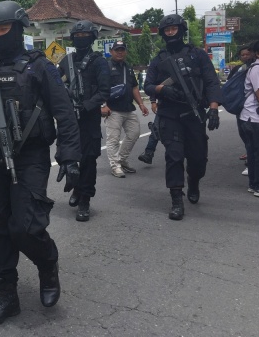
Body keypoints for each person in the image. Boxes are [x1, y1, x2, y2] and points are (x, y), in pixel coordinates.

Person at [0, 1, 81, 326]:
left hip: (30, 155)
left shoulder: (39, 67)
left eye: (4, 29)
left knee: (26, 226)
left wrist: (70, 158)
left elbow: (64, 113)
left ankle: (47, 264)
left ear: (18, 30)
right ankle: (7, 295)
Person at [144, 14, 221, 220]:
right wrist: (162, 90)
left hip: (194, 113)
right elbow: (148, 85)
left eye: (174, 29)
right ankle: (176, 199)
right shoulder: (158, 60)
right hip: (170, 114)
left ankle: (194, 181)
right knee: (174, 157)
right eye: (167, 30)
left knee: (197, 160)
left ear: (181, 30)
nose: (170, 33)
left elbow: (212, 81)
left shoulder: (197, 55)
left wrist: (213, 108)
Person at [58, 19, 111, 221]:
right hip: (69, 119)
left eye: (84, 36)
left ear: (92, 38)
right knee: (67, 156)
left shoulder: (99, 62)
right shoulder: (66, 61)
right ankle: (76, 186)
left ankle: (84, 200)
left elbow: (104, 91)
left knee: (88, 160)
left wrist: (86, 105)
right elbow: (56, 84)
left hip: (88, 119)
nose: (81, 39)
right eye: (77, 36)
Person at [103, 41, 149, 178]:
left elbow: (134, 87)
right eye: (117, 50)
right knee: (113, 139)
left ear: (125, 52)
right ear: (111, 51)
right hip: (113, 109)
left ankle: (122, 159)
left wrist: (141, 104)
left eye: (122, 50)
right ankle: (115, 166)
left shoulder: (128, 68)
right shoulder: (105, 67)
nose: (120, 52)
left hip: (128, 108)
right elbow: (99, 87)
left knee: (134, 133)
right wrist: (103, 105)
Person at [240, 40, 259, 197]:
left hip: (250, 117)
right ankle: (258, 185)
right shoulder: (257, 69)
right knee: (258, 153)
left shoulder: (256, 68)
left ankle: (254, 184)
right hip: (253, 118)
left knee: (254, 152)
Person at [229, 46, 255, 175]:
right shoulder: (237, 69)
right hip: (241, 107)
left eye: (247, 54)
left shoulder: (255, 68)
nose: (245, 56)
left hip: (252, 109)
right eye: (242, 55)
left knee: (253, 138)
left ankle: (251, 163)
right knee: (246, 135)